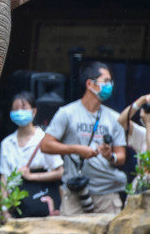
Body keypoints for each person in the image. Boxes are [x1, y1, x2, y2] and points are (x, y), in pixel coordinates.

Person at [40, 61, 128, 215]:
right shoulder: (67, 113)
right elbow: (46, 145)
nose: (110, 86)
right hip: (75, 191)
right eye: (105, 81)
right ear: (90, 84)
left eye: (110, 82)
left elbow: (121, 156)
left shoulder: (115, 118)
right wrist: (76, 149)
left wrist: (110, 156)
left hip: (107, 192)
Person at [0, 91, 63, 217]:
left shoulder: (44, 139)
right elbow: (3, 178)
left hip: (43, 203)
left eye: (24, 108)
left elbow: (60, 172)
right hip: (17, 206)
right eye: (15, 109)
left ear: (34, 111)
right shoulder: (6, 143)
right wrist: (5, 209)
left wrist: (32, 177)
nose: (19, 112)